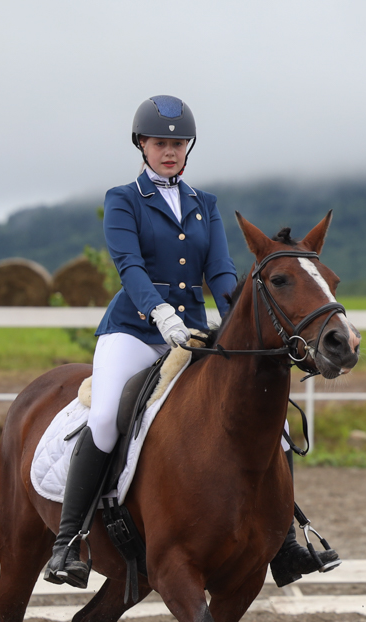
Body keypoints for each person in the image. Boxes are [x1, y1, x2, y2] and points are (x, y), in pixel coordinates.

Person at [42, 95, 339, 588]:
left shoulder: (205, 205)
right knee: (105, 417)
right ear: (142, 145)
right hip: (135, 332)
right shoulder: (123, 199)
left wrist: (236, 323)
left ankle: (284, 543)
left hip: (196, 334)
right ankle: (68, 543)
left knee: (271, 422)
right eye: (161, 143)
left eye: (178, 144)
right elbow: (129, 265)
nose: (170, 152)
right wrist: (158, 312)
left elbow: (221, 272)